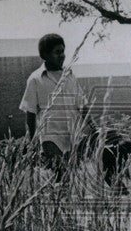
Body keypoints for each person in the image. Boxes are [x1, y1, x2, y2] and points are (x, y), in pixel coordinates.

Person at [19, 33, 89, 184]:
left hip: (72, 134)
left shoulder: (69, 75)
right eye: (57, 52)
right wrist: (33, 142)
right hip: (50, 136)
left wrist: (94, 128)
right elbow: (30, 114)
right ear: (45, 55)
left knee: (68, 175)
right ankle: (60, 200)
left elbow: (83, 105)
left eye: (63, 51)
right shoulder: (35, 79)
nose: (62, 56)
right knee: (62, 170)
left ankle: (60, 203)